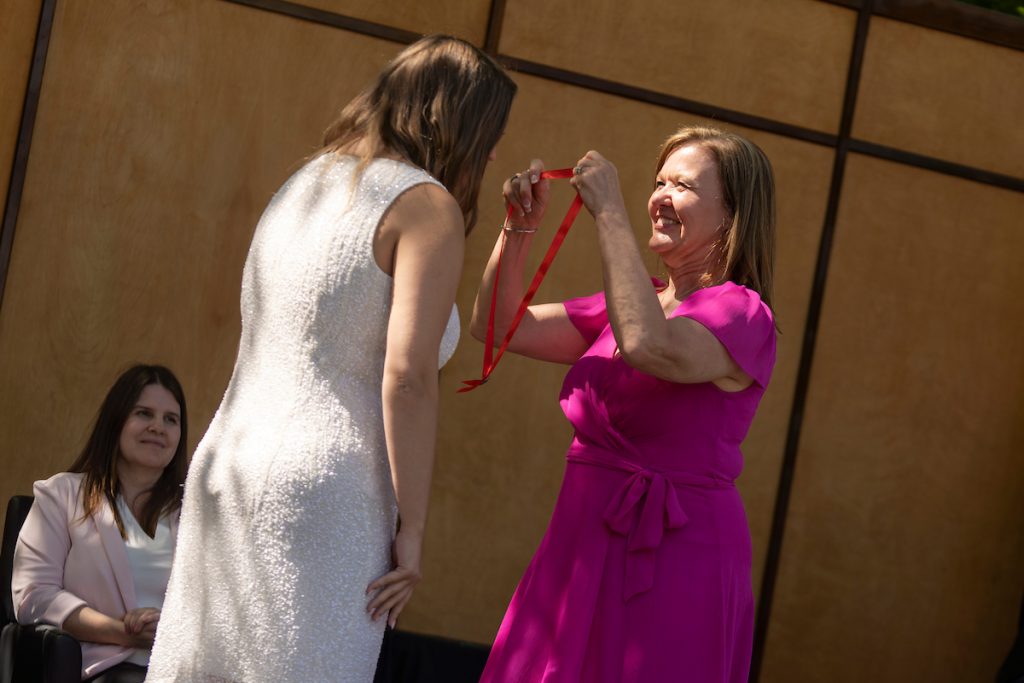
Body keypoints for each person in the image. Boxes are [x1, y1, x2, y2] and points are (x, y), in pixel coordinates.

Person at [145, 35, 516, 683]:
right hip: (330, 490)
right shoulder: (427, 206)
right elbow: (408, 379)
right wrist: (414, 526)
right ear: (460, 123)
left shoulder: (306, 180)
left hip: (229, 463)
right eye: (492, 133)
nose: (493, 153)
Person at [472, 125, 777, 683]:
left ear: (733, 214)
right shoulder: (636, 302)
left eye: (681, 185)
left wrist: (610, 213)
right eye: (657, 181)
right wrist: (518, 228)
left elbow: (649, 346)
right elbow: (496, 327)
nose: (658, 197)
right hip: (581, 539)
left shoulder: (742, 313)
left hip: (674, 556)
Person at [12, 364, 189, 683]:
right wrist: (122, 632)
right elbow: (33, 595)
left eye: (170, 419)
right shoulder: (62, 496)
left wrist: (170, 627)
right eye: (144, 413)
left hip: (181, 669)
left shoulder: (194, 513)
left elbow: (221, 602)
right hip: (101, 670)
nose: (158, 427)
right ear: (116, 421)